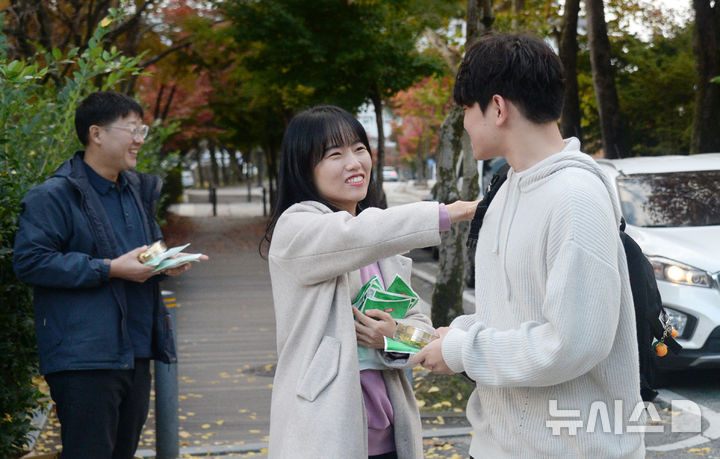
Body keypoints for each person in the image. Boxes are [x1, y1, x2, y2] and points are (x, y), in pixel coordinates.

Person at [411, 33, 645, 458]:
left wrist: (465, 350)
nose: (464, 122)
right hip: (498, 445)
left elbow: (573, 344)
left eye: (467, 108)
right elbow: (515, 313)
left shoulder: (575, 197)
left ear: (497, 108)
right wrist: (459, 332)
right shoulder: (505, 188)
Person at [263, 105, 477, 459]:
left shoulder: (382, 250)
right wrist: (450, 211)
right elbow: (355, 235)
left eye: (359, 149)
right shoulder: (297, 229)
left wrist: (392, 335)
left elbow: (421, 334)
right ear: (305, 167)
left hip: (390, 439)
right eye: (335, 154)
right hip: (325, 436)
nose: (354, 163)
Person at [13, 91, 207, 458]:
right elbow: (31, 261)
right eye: (132, 129)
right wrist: (110, 268)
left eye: (142, 130)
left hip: (134, 349)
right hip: (83, 356)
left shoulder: (134, 190)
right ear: (96, 134)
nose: (139, 139)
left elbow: (139, 254)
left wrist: (164, 265)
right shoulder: (54, 196)